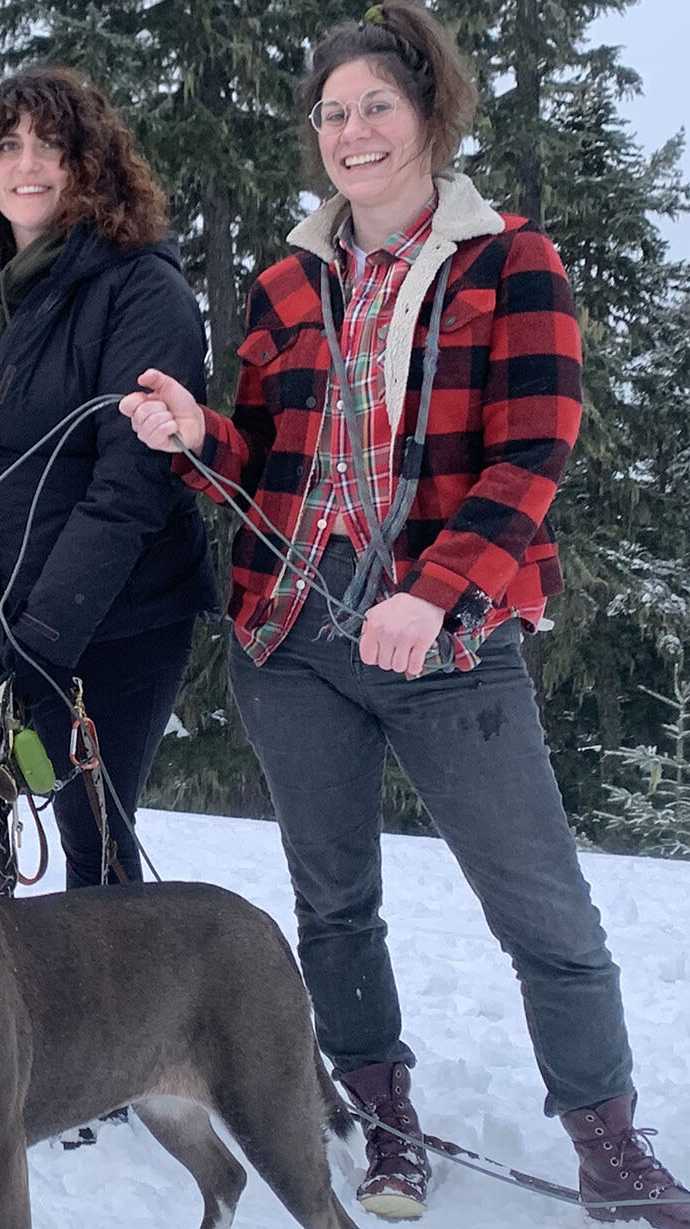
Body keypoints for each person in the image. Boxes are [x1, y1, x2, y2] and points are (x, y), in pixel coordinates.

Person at [119, 3, 690, 1223]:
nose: (352, 131)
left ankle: (606, 1140)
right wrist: (190, 433)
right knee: (332, 903)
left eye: (376, 104)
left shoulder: (509, 261)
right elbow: (259, 452)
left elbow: (532, 452)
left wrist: (430, 596)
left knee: (541, 903)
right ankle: (383, 1129)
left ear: (429, 111)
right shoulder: (286, 280)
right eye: (330, 112)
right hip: (290, 634)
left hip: (454, 637)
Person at [0, 66, 214, 891]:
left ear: (89, 166)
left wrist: (44, 639)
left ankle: (118, 1018)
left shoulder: (141, 289)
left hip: (111, 625)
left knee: (95, 848)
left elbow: (133, 484)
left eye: (51, 147)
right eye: (8, 145)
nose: (28, 165)